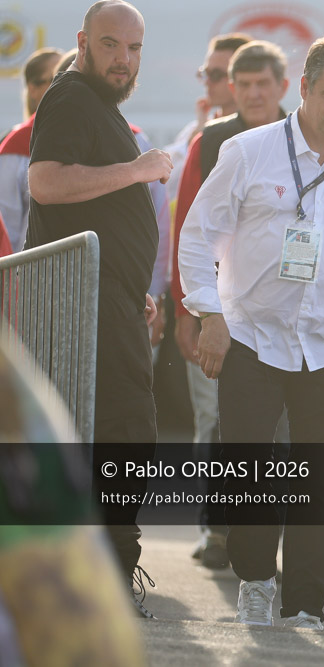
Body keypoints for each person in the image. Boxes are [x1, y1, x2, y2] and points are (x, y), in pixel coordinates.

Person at [177, 32, 324, 630]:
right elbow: (199, 236)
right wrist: (209, 315)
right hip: (252, 336)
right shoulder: (248, 151)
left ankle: (306, 602)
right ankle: (256, 580)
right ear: (302, 88)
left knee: (317, 482)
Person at [26, 0, 172, 618]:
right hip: (77, 301)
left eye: (134, 49)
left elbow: (85, 211)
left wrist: (122, 280)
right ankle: (105, 575)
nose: (123, 60)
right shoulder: (71, 97)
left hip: (101, 296)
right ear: (84, 42)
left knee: (111, 433)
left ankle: (89, 574)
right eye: (112, 45)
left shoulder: (98, 106)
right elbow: (46, 183)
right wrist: (137, 169)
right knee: (120, 432)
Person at [171, 40, 290, 571]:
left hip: (289, 316)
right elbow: (188, 229)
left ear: (286, 87)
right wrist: (187, 312)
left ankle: (266, 539)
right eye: (245, 85)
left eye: (265, 83)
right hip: (219, 312)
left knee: (282, 432)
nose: (255, 94)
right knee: (215, 421)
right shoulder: (212, 139)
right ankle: (217, 529)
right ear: (231, 88)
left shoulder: (307, 137)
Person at [162, 33, 251, 203]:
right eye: (205, 73)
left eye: (216, 75)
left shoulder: (263, 129)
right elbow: (164, 187)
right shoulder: (195, 130)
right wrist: (197, 137)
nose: (207, 82)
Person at [0, 48, 63, 253]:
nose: (65, 86)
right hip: (29, 276)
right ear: (33, 89)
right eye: (56, 78)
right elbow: (7, 228)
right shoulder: (15, 146)